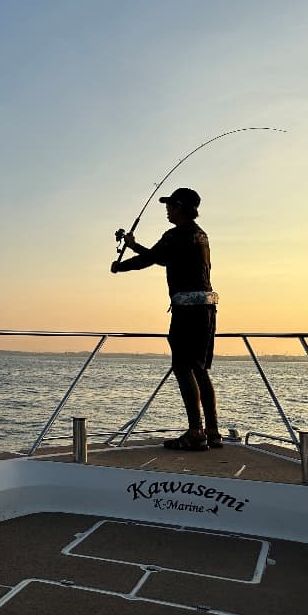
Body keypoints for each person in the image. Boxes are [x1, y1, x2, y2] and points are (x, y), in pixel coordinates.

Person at [110, 187, 220, 451]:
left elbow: (149, 260)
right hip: (206, 310)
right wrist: (134, 245)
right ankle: (212, 431)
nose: (167, 210)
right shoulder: (200, 236)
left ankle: (196, 433)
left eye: (170, 206)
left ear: (181, 207)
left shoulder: (175, 235)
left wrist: (119, 266)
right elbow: (162, 257)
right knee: (199, 368)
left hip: (187, 313)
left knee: (183, 368)